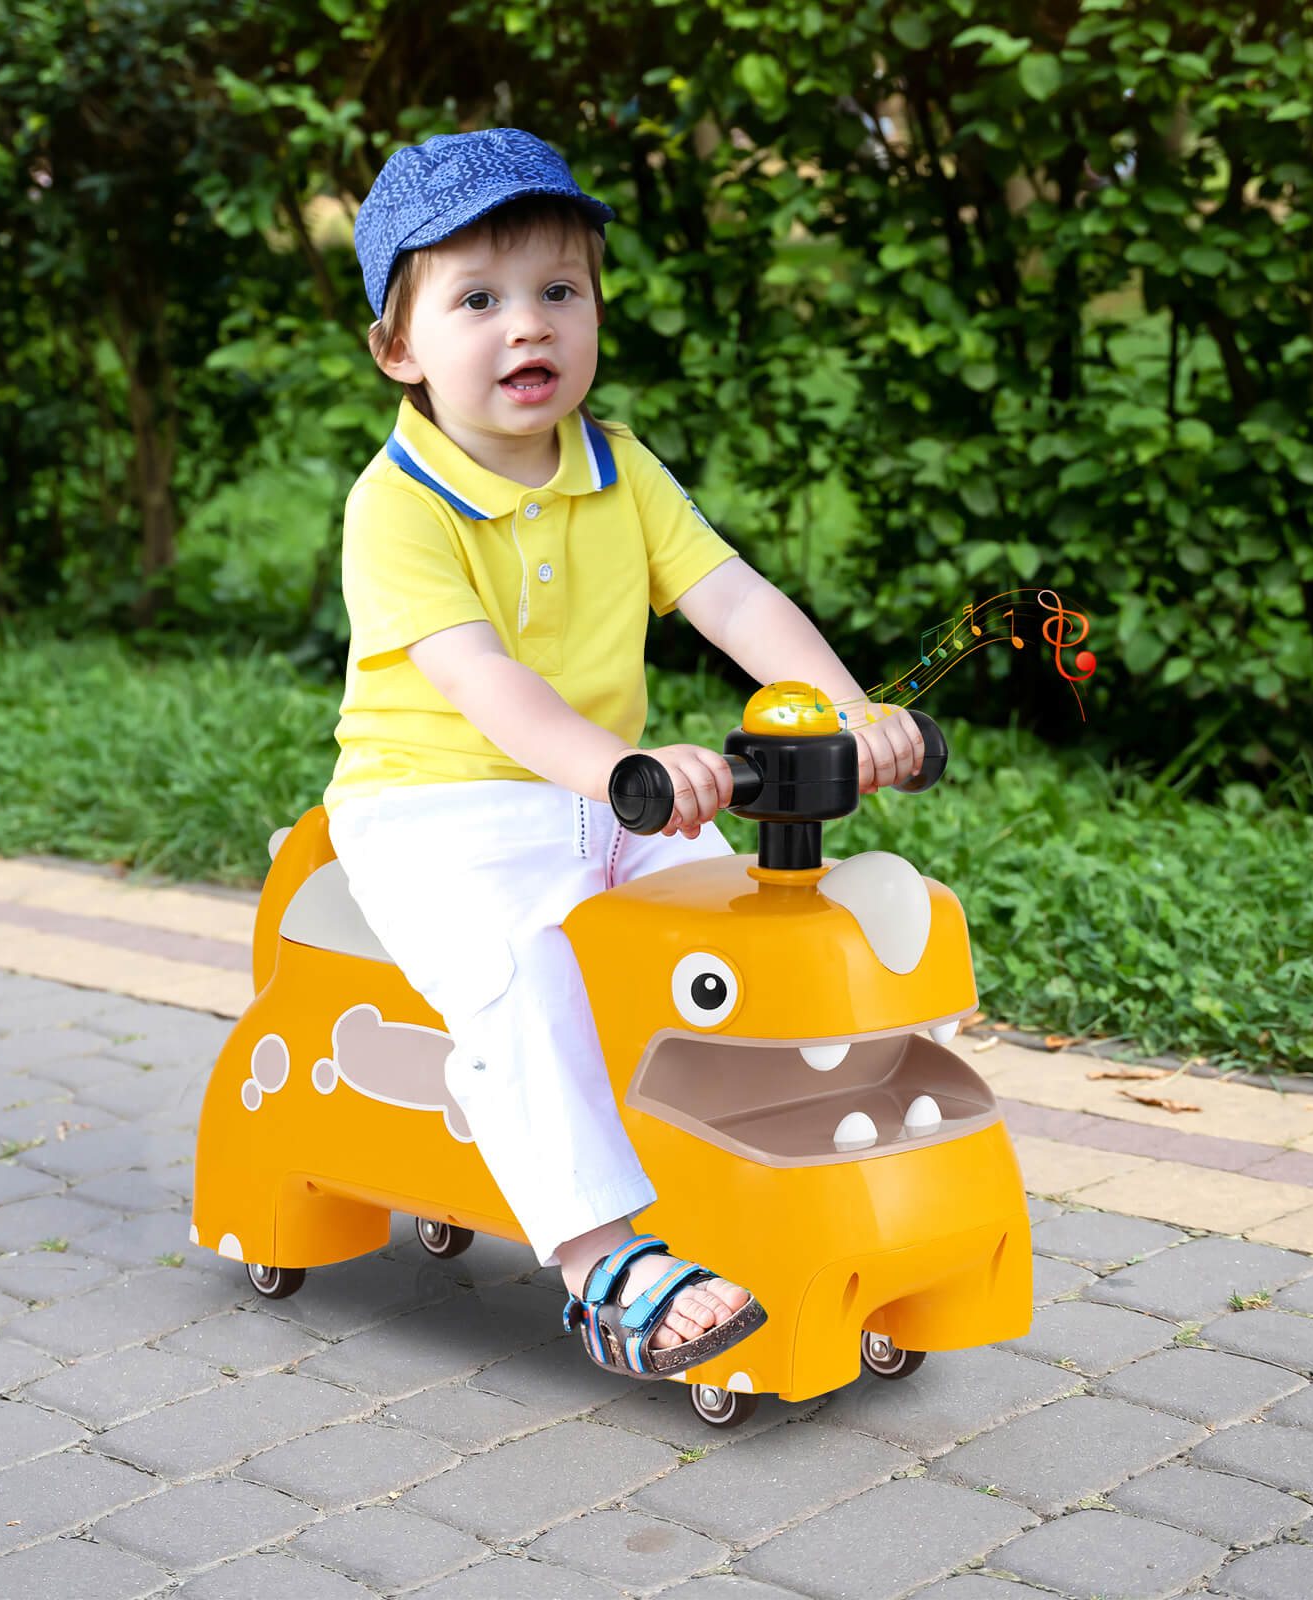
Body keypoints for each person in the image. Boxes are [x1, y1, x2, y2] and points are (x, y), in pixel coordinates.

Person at [325, 127, 924, 1380]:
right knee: (525, 980)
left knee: (736, 944)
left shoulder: (621, 466)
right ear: (399, 348)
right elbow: (483, 682)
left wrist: (853, 710)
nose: (526, 326)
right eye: (477, 299)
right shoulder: (396, 505)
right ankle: (605, 1263)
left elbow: (736, 597)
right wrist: (613, 770)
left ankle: (748, 1177)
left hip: (614, 795)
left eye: (559, 291)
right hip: (443, 814)